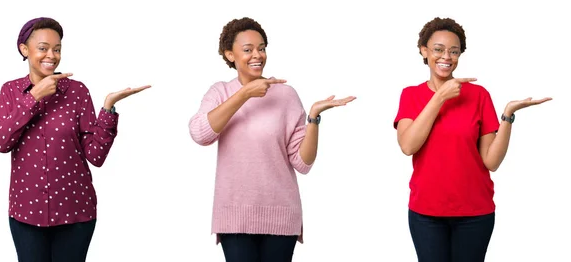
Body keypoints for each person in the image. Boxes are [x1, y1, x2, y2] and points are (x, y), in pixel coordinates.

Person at [188, 17, 355, 262]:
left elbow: (302, 163)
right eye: (247, 50)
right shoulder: (220, 92)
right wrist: (244, 93)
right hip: (235, 217)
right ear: (230, 55)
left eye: (262, 48)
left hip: (281, 217)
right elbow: (200, 134)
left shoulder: (286, 95)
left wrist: (313, 118)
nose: (257, 55)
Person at [0, 17, 150, 262]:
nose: (51, 55)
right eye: (43, 48)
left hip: (76, 212)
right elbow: (0, 142)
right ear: (24, 49)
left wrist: (108, 108)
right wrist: (33, 97)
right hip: (26, 213)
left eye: (57, 49)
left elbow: (95, 156)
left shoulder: (77, 91)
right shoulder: (9, 91)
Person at [393, 17, 551, 262]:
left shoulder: (478, 95)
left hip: (475, 213)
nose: (446, 56)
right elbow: (408, 145)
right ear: (424, 51)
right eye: (438, 49)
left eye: (454, 51)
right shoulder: (411, 95)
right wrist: (440, 97)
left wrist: (507, 116)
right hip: (426, 213)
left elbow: (491, 161)